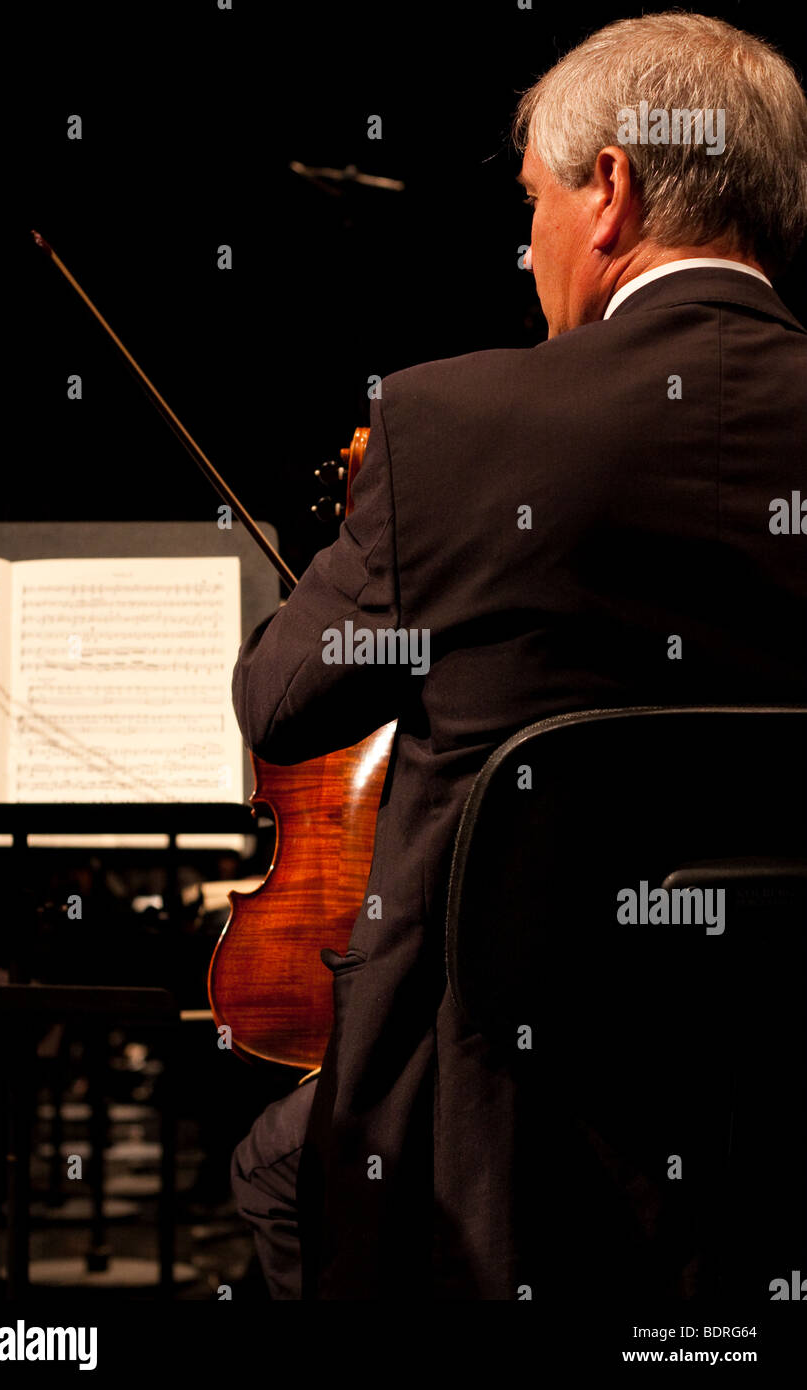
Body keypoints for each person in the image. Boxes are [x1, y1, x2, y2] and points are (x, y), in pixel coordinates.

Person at [229, 11, 807, 1299]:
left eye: (536, 199)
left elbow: (279, 700)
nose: (528, 242)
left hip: (494, 1125)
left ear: (612, 189)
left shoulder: (457, 425)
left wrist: (370, 539)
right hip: (776, 1099)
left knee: (280, 1168)